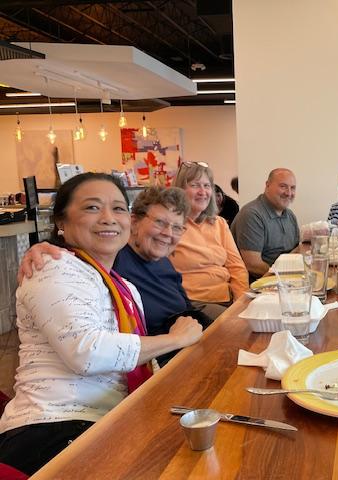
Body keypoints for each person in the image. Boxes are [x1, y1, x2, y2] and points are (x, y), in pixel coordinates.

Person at [0, 174, 202, 475]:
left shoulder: (123, 286)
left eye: (118, 208)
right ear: (61, 221)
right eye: (92, 207)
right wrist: (176, 339)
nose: (108, 218)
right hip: (51, 427)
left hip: (108, 419)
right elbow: (87, 353)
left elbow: (130, 362)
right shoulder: (51, 266)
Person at [171, 162, 249, 317]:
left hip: (227, 297)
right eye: (195, 185)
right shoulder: (170, 225)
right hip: (193, 303)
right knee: (243, 326)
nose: (203, 192)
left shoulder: (219, 223)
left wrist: (241, 303)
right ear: (179, 190)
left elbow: (237, 267)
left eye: (207, 186)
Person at [231, 168, 300, 280]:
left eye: (292, 188)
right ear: (267, 185)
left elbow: (296, 250)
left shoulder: (290, 215)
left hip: (285, 280)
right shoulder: (252, 215)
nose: (288, 193)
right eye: (283, 186)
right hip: (260, 283)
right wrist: (284, 277)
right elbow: (253, 265)